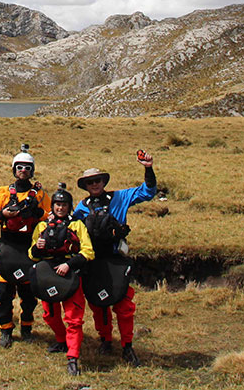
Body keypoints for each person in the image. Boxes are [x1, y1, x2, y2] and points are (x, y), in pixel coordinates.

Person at [72, 150, 157, 366]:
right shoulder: (81, 208)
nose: (94, 184)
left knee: (124, 304)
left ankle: (127, 347)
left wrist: (148, 168)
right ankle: (105, 340)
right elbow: (73, 230)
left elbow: (147, 192)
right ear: (85, 186)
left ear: (103, 181)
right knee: (98, 304)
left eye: (97, 180)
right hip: (94, 260)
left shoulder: (120, 197)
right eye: (90, 182)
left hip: (117, 260)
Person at [0, 144, 50, 348]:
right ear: (14, 169)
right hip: (7, 246)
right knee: (4, 294)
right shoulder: (3, 193)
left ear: (32, 171)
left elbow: (51, 217)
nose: (23, 171)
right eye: (19, 167)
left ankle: (27, 327)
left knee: (28, 294)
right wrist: (3, 214)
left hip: (29, 248)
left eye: (27, 168)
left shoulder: (39, 195)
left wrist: (37, 214)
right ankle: (6, 330)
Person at [30, 183, 95, 376]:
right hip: (48, 273)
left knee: (73, 319)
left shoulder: (77, 225)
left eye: (64, 204)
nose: (60, 208)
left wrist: (70, 265)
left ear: (69, 206)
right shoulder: (42, 226)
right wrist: (38, 247)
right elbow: (32, 254)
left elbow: (88, 251)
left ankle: (73, 356)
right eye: (57, 204)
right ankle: (61, 340)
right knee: (49, 315)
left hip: (70, 273)